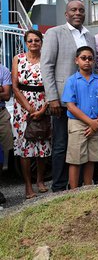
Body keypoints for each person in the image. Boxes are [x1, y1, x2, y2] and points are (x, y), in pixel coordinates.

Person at [41, 0, 96, 192]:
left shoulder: (90, 37)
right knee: (61, 144)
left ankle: (79, 185)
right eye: (73, 10)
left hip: (86, 102)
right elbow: (46, 65)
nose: (77, 13)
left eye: (81, 10)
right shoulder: (54, 33)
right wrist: (52, 97)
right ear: (66, 14)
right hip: (63, 102)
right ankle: (58, 187)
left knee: (81, 144)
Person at [61, 46, 98, 189]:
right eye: (83, 58)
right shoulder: (72, 81)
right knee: (76, 159)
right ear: (76, 60)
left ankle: (88, 188)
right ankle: (74, 190)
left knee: (91, 157)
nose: (87, 61)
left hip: (96, 122)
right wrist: (90, 123)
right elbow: (70, 106)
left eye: (90, 58)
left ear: (94, 61)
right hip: (78, 124)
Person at [12, 30, 51, 199]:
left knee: (42, 144)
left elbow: (51, 84)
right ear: (25, 42)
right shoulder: (18, 59)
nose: (33, 43)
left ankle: (40, 180)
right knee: (25, 147)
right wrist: (30, 109)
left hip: (44, 103)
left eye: (36, 40)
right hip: (23, 107)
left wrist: (42, 109)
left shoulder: (47, 59)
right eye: (30, 41)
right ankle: (28, 185)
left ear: (41, 42)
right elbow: (14, 86)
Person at [0, 61, 13, 204]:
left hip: (1, 114)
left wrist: (2, 91)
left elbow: (6, 95)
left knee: (3, 152)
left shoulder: (3, 70)